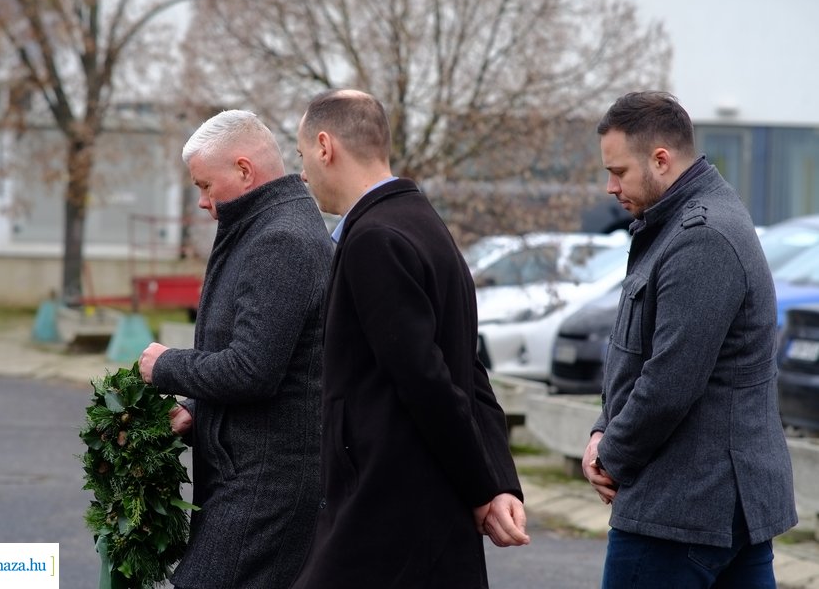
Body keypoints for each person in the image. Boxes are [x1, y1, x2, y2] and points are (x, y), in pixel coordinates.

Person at [290, 89, 530, 589]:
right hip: (421, 514)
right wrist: (497, 481)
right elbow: (469, 371)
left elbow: (428, 380)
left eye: (302, 155)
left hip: (388, 511)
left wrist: (485, 489)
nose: (304, 172)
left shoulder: (375, 239)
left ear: (325, 145)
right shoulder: (423, 223)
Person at [582, 91, 798, 588]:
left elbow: (669, 381)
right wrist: (602, 429)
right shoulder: (678, 225)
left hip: (681, 512)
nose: (610, 187)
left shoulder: (702, 237)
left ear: (661, 159)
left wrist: (609, 456)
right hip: (705, 508)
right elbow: (635, 357)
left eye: (619, 172)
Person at [138, 109, 333, 589]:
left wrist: (166, 367)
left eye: (205, 185)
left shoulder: (281, 240)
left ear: (244, 171)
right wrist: (196, 408)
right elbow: (259, 352)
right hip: (250, 473)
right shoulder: (265, 229)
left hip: (265, 484)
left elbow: (252, 370)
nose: (202, 202)